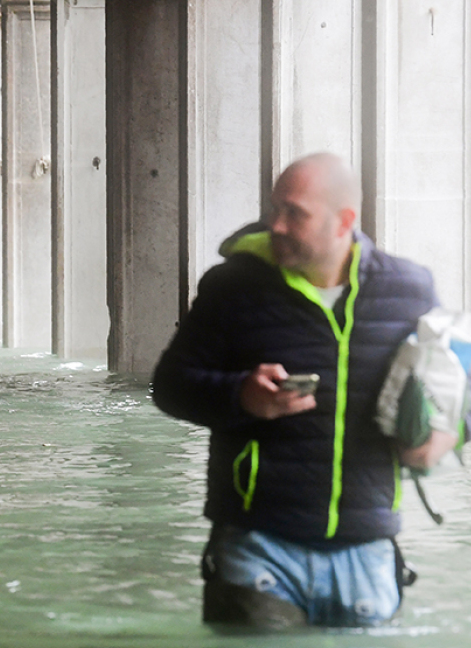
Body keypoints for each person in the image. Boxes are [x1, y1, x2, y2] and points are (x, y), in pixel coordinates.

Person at [150, 153, 448, 628]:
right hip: (257, 548)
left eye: (295, 213)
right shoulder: (231, 288)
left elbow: (459, 392)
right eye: (274, 210)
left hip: (367, 550)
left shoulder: (408, 290)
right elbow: (169, 387)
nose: (277, 225)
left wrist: (441, 439)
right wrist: (240, 396)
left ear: (344, 220)